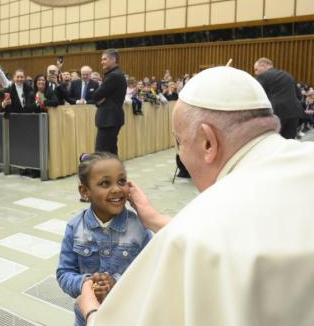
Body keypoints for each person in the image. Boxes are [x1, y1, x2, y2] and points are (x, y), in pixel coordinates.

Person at [78, 66, 314, 326]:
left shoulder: (197, 229)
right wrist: (156, 219)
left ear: (208, 143)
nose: (180, 154)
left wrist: (92, 313)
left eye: (179, 142)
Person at [57, 152, 151, 326]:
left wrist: (117, 282)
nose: (116, 189)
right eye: (105, 183)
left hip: (129, 317)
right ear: (85, 192)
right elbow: (64, 273)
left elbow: (152, 272)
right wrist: (85, 283)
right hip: (86, 318)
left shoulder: (140, 227)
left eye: (121, 181)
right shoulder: (74, 227)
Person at [254, 57, 304, 139]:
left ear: (263, 66)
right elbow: (299, 95)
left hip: (277, 113)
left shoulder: (263, 76)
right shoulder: (287, 75)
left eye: (256, 69)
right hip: (294, 112)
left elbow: (256, 94)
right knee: (289, 141)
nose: (256, 73)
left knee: (274, 141)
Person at [92, 49, 127, 155]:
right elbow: (99, 98)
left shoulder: (113, 76)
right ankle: (115, 172)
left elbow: (95, 95)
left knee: (101, 153)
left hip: (109, 119)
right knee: (110, 152)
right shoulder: (115, 74)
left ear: (113, 59)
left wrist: (99, 98)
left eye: (104, 59)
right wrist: (99, 101)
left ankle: (108, 172)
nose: (102, 62)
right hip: (111, 118)